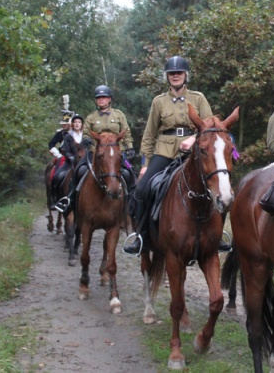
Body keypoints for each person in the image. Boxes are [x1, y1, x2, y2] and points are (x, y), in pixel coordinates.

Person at [123, 56, 214, 255]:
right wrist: (145, 163)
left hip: (193, 153)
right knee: (142, 190)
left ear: (185, 75)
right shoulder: (159, 102)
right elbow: (149, 134)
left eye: (178, 73)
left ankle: (217, 236)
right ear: (167, 77)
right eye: (172, 73)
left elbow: (210, 126)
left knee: (215, 185)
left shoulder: (198, 98)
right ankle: (142, 237)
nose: (175, 76)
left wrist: (193, 139)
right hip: (164, 152)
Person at [55, 86, 136, 214]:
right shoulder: (91, 117)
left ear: (109, 99)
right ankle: (70, 199)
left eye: (103, 97)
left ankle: (132, 203)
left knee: (129, 172)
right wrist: (86, 139)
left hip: (114, 152)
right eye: (98, 98)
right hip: (95, 152)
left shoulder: (119, 115)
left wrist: (130, 147)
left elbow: (126, 133)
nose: (101, 100)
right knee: (79, 171)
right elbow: (86, 133)